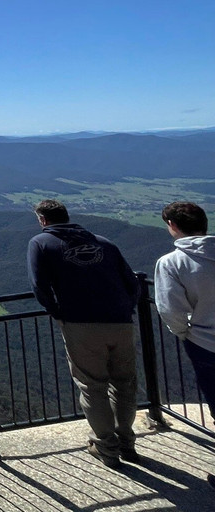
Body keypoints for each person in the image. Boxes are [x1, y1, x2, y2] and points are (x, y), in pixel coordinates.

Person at [27, 199, 140, 468]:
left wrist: (57, 311)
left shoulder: (41, 243)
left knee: (92, 385)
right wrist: (126, 308)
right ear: (67, 215)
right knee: (124, 383)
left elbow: (39, 285)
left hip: (80, 323)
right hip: (121, 321)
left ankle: (106, 447)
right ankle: (127, 441)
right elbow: (132, 282)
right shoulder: (104, 242)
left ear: (43, 220)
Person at [154, 202, 215, 415]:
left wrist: (185, 333)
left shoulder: (171, 263)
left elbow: (170, 309)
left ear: (172, 225)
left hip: (205, 342)